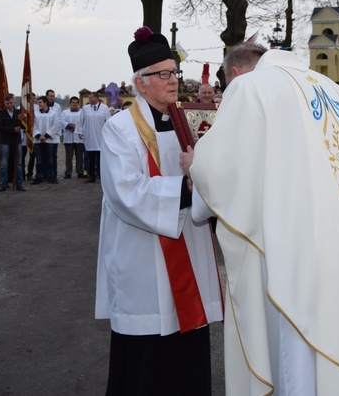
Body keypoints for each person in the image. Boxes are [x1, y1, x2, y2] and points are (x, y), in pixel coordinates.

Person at [188, 46, 339, 394]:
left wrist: (193, 169)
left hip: (296, 244)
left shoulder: (250, 87)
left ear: (233, 73)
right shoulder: (331, 87)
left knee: (302, 342)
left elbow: (222, 167)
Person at [95, 27, 223, 395]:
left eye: (174, 73)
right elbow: (125, 192)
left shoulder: (189, 122)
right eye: (164, 74)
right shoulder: (120, 128)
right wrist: (187, 185)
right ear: (141, 82)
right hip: (143, 256)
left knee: (187, 360)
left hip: (190, 250)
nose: (173, 81)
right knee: (145, 360)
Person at [79, 91, 109, 183]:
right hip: (90, 136)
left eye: (91, 97)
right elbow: (80, 121)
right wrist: (80, 132)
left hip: (101, 136)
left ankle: (102, 175)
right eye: (89, 97)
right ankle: (91, 176)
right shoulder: (85, 108)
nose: (89, 99)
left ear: (96, 98)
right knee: (90, 158)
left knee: (101, 158)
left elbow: (108, 121)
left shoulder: (104, 108)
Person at [0, 94, 25, 192]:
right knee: (4, 163)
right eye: (7, 103)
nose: (9, 104)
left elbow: (25, 127)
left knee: (18, 163)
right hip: (5, 141)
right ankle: (3, 184)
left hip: (17, 141)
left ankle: (19, 184)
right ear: (5, 103)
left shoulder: (19, 113)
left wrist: (22, 120)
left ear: (14, 102)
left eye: (10, 102)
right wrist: (13, 129)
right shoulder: (1, 113)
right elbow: (0, 127)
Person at [31, 96, 60, 184]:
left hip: (50, 140)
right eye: (38, 102)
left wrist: (46, 135)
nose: (38, 104)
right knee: (39, 160)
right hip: (38, 140)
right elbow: (33, 125)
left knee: (50, 160)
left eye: (40, 102)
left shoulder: (53, 113)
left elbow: (55, 125)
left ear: (45, 103)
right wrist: (39, 135)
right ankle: (39, 177)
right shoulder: (35, 114)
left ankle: (51, 177)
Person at [60, 96, 85, 178]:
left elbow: (84, 123)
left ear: (78, 103)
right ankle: (68, 172)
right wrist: (69, 126)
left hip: (79, 138)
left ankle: (80, 171)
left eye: (76, 103)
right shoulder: (65, 112)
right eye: (73, 102)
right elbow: (62, 122)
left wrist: (77, 128)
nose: (74, 104)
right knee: (69, 157)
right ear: (70, 103)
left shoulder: (82, 112)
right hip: (69, 137)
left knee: (79, 157)